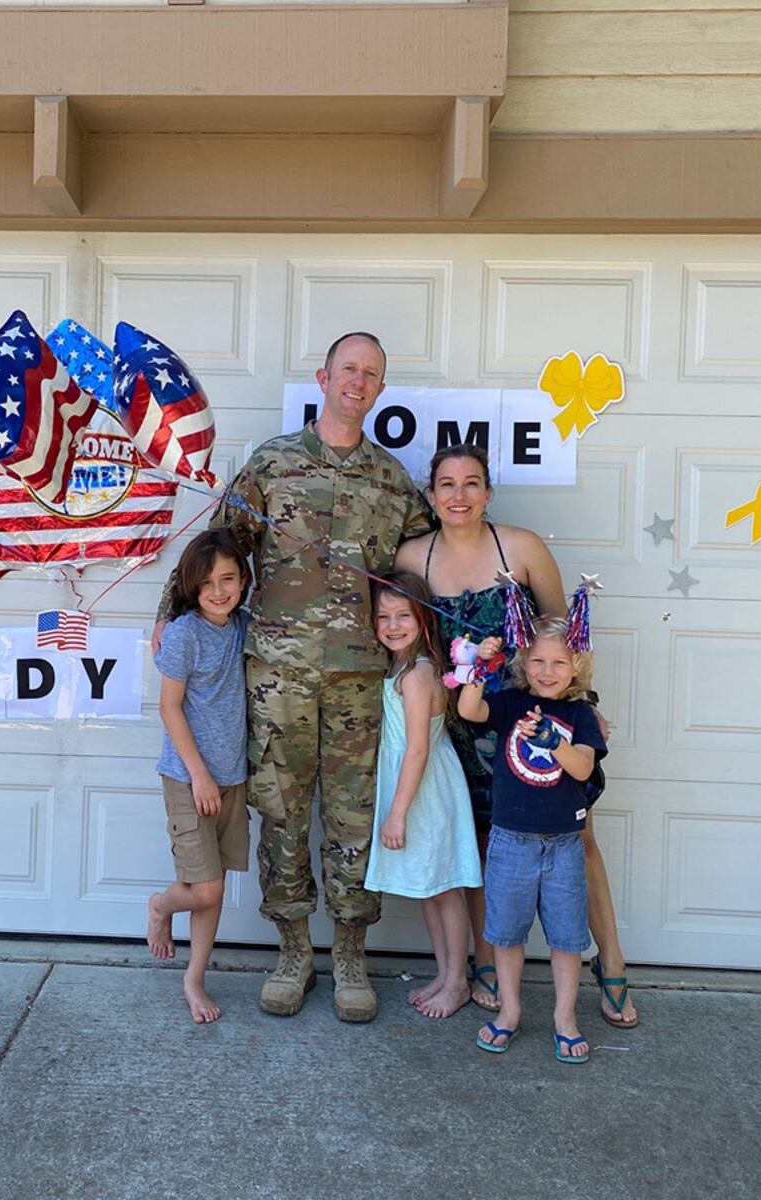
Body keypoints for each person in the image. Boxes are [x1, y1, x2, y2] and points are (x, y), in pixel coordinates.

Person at [154, 331, 433, 1022]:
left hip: (358, 680)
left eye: (371, 373)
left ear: (379, 388)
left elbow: (424, 571)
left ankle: (348, 953)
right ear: (323, 377)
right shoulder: (272, 464)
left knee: (351, 819)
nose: (357, 382)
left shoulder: (393, 481)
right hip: (276, 675)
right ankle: (291, 951)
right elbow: (218, 547)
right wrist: (170, 611)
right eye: (348, 369)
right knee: (279, 814)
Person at [394, 444, 639, 1027]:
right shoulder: (410, 555)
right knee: (485, 843)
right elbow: (395, 629)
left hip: (536, 724)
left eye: (472, 483)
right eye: (447, 484)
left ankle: (612, 963)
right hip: (464, 721)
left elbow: (568, 636)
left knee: (578, 842)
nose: (459, 495)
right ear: (430, 495)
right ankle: (485, 963)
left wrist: (586, 706)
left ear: (488, 492)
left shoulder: (521, 547)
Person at [457, 618, 607, 1063]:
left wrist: (551, 741)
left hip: (563, 846)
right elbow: (470, 711)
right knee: (506, 934)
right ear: (523, 662)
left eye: (559, 662)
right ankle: (510, 1011)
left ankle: (565, 1017)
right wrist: (480, 670)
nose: (547, 670)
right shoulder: (511, 704)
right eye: (537, 660)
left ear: (576, 666)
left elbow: (581, 768)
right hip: (510, 842)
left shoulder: (581, 716)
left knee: (567, 938)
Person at [363, 571, 483, 1019]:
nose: (393, 625)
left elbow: (416, 748)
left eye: (403, 616)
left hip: (425, 789)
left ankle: (458, 982)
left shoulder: (418, 673)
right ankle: (445, 973)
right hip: (417, 784)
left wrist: (396, 813)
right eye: (383, 617)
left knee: (445, 888)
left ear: (423, 619)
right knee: (430, 888)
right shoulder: (402, 665)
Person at [145, 529, 253, 1024]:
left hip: (232, 775)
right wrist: (199, 775)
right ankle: (161, 906)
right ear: (191, 586)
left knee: (215, 885)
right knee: (204, 889)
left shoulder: (243, 627)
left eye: (228, 579)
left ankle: (195, 977)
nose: (218, 590)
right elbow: (169, 708)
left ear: (243, 581)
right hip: (191, 777)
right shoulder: (185, 633)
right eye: (207, 582)